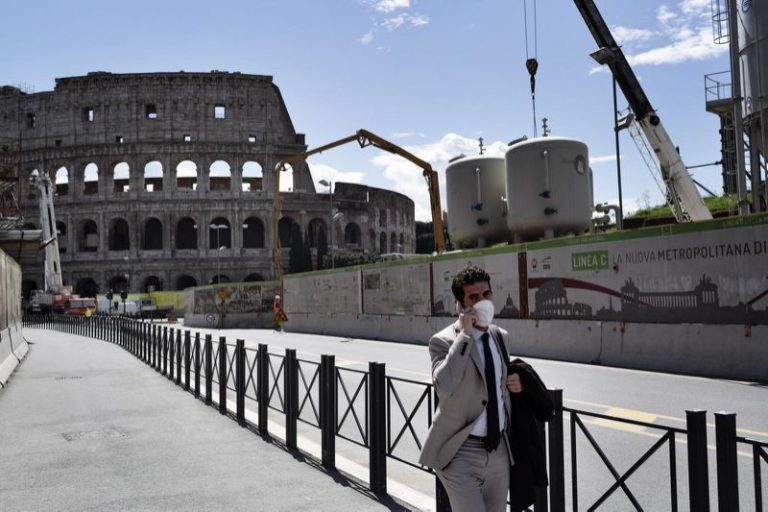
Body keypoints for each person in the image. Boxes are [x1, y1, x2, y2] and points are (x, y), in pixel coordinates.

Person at [418, 264, 523, 512]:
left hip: (498, 450)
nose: (482, 301)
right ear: (459, 304)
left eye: (486, 294)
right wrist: (465, 336)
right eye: (473, 297)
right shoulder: (443, 341)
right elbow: (444, 385)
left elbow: (496, 385)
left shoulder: (500, 337)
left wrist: (517, 382)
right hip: (460, 453)